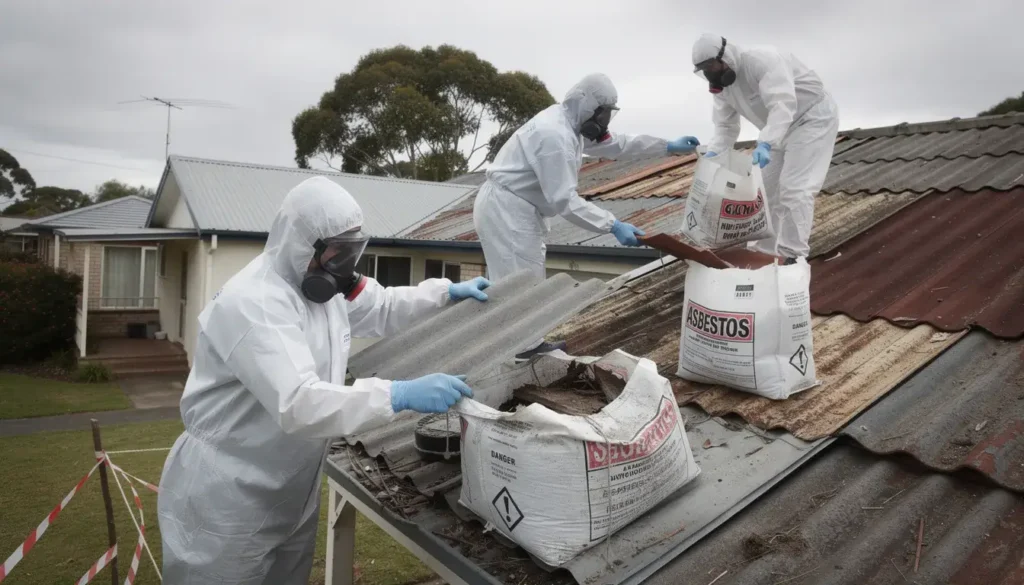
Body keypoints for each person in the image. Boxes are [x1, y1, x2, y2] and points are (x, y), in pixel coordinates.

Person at [157, 177, 491, 584]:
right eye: (336, 253)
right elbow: (299, 403)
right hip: (227, 499)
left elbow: (382, 306)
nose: (343, 266)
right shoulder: (252, 303)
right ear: (301, 244)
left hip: (290, 491)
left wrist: (444, 293)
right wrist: (397, 394)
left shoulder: (320, 289)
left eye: (351, 252)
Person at [473, 72, 700, 360]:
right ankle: (520, 353)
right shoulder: (554, 135)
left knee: (517, 282)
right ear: (584, 103)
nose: (604, 123)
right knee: (519, 285)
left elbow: (618, 144)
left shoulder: (569, 124)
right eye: (601, 114)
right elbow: (564, 200)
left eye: (608, 115)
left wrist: (666, 146)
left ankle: (519, 347)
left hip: (514, 208)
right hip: (507, 210)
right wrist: (612, 225)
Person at [691, 33, 840, 261]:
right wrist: (712, 157)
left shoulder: (762, 60)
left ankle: (794, 256)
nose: (710, 73)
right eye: (704, 69)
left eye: (711, 65)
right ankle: (763, 255)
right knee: (763, 193)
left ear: (725, 55)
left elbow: (782, 104)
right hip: (776, 130)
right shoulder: (722, 88)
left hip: (810, 118)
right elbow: (725, 127)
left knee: (794, 188)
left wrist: (766, 143)